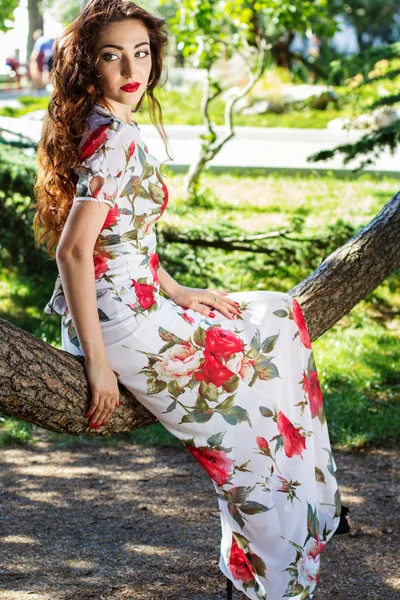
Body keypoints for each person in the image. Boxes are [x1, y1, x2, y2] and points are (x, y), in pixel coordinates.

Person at [32, 1, 348, 599]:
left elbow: (122, 239)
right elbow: (74, 252)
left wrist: (181, 290)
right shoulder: (114, 138)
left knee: (277, 315)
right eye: (111, 55)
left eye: (142, 53)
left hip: (133, 302)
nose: (132, 67)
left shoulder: (106, 124)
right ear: (85, 66)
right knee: (252, 431)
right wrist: (98, 368)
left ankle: (313, 510)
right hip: (119, 325)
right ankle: (273, 565)